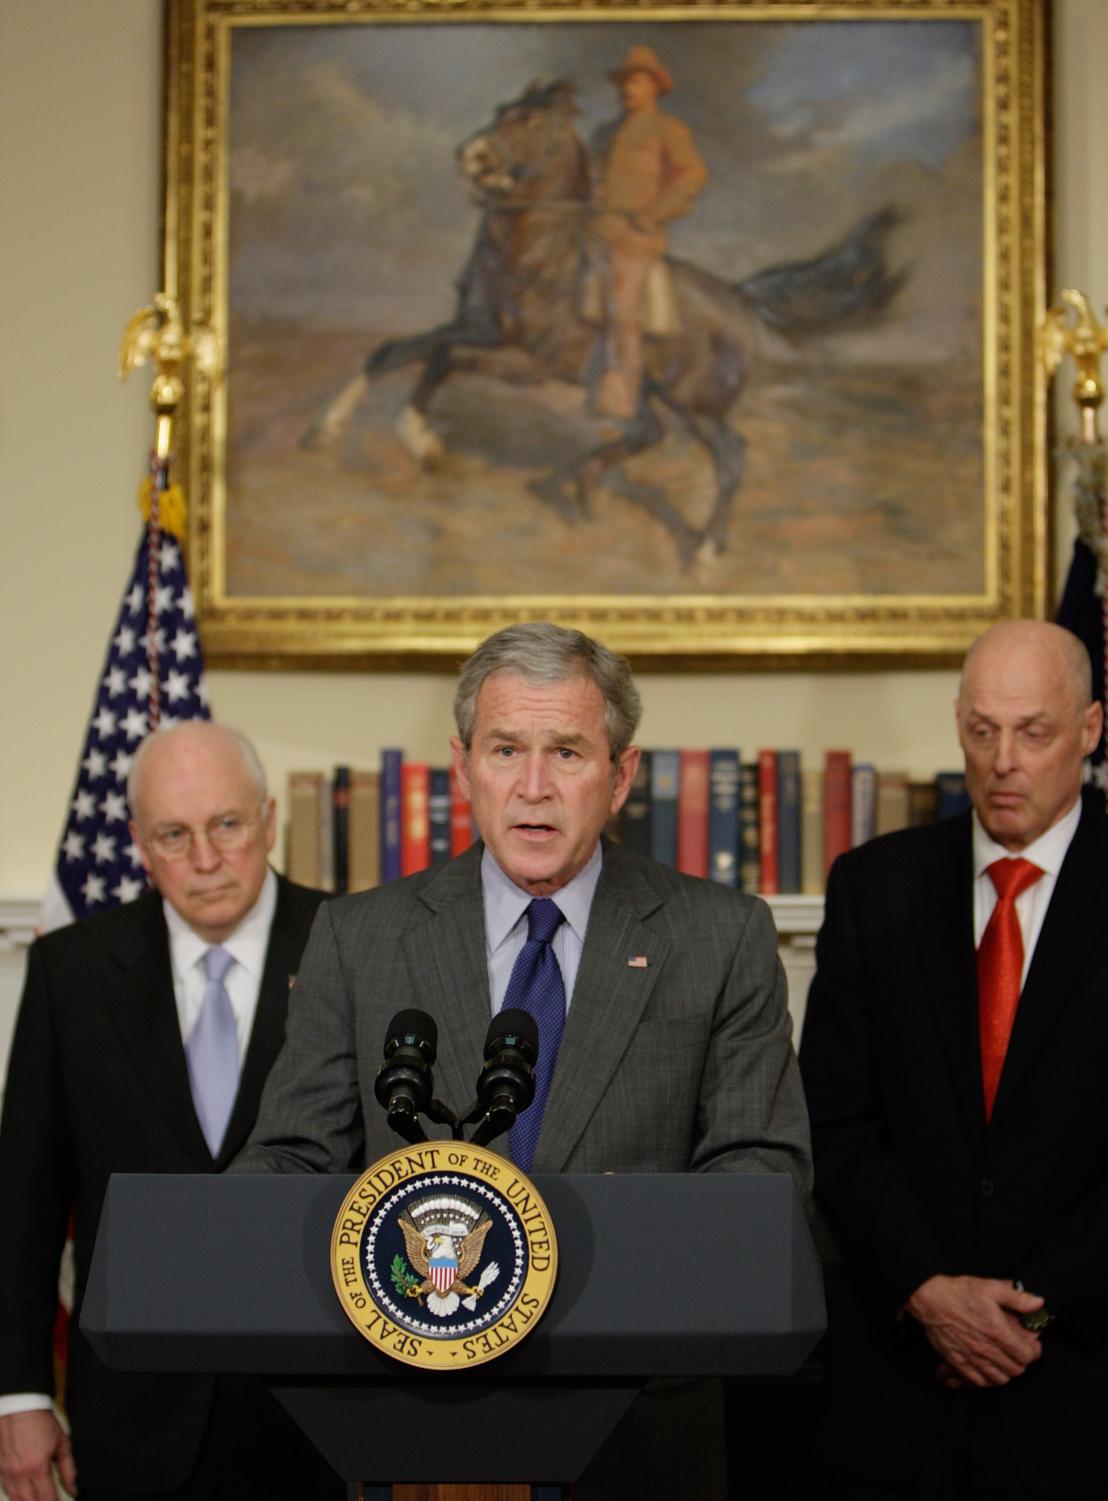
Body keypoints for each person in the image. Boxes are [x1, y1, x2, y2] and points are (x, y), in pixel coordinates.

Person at [235, 621, 811, 1499]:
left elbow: (763, 1173)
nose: (533, 788)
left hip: (639, 1428)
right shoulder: (361, 937)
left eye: (568, 752)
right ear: (463, 764)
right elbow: (291, 1159)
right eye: (506, 749)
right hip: (413, 1422)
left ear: (621, 777)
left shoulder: (718, 936)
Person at [800, 619, 1108, 1500]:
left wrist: (1027, 1310)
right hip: (898, 1396)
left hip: (1082, 1390)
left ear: (1089, 730)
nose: (1003, 759)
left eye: (1034, 731)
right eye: (982, 730)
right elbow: (833, 1122)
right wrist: (930, 1293)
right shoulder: (875, 886)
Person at [0, 722, 343, 1501]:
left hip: (318, 1413)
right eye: (174, 834)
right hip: (133, 1416)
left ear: (267, 819)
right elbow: (23, 1203)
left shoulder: (352, 946)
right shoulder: (72, 972)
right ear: (139, 845)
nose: (207, 857)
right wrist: (17, 1394)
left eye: (226, 824)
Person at [586, 45, 708, 419]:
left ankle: (622, 400)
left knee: (623, 311)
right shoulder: (605, 133)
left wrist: (655, 214)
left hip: (636, 237)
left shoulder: (667, 129)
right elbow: (593, 178)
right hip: (596, 231)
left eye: (636, 81)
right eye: (624, 81)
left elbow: (694, 175)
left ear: (655, 86)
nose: (628, 89)